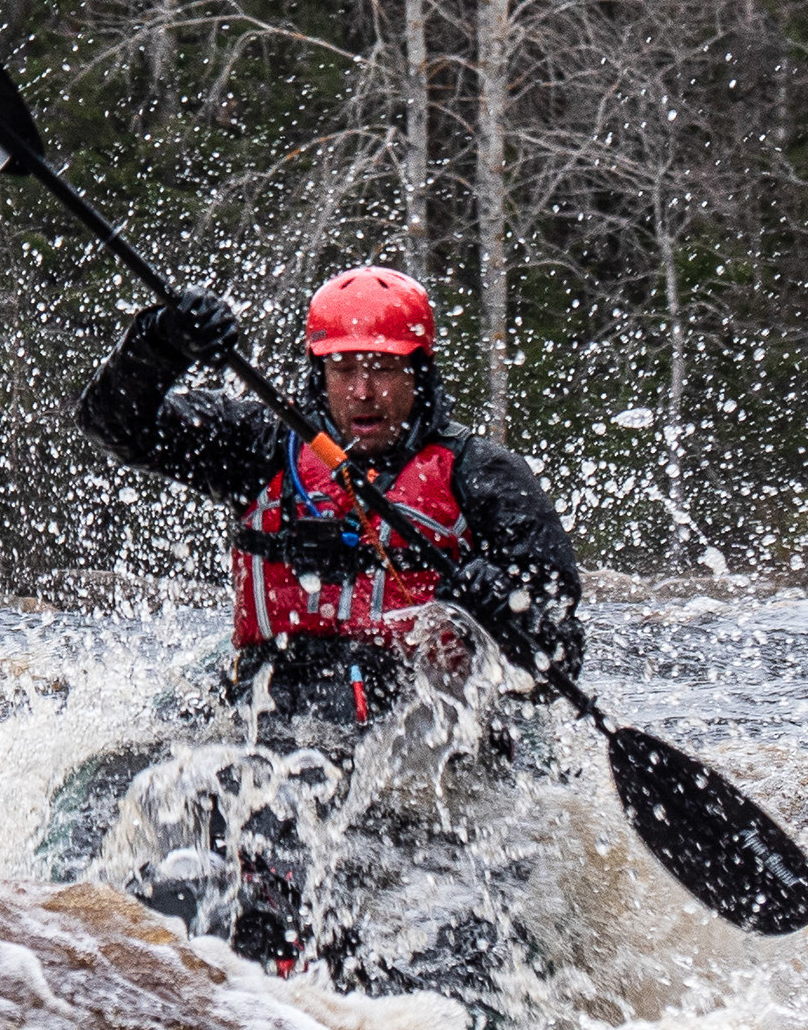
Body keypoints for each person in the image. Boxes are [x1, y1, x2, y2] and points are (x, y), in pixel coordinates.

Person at [75, 265, 582, 981]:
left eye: (383, 370)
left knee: (444, 933)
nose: (363, 392)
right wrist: (158, 345)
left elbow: (561, 654)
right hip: (276, 725)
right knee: (232, 849)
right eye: (344, 370)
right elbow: (114, 425)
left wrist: (505, 606)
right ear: (320, 374)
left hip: (425, 753)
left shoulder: (485, 479)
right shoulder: (259, 446)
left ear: (419, 374)